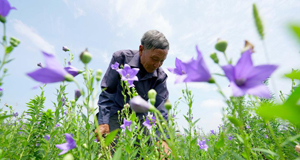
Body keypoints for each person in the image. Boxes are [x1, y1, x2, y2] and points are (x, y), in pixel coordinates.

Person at [94, 30, 170, 156]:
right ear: (141, 50)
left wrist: (162, 139)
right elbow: (108, 91)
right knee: (107, 150)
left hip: (139, 117)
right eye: (154, 59)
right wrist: (103, 122)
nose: (157, 65)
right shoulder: (121, 59)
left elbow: (161, 107)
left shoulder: (160, 77)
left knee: (145, 153)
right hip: (116, 111)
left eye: (162, 61)